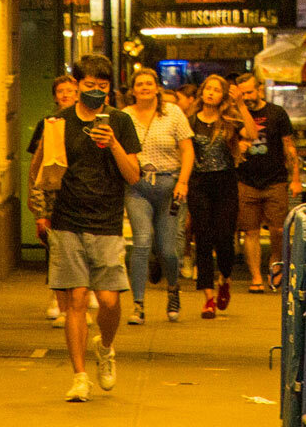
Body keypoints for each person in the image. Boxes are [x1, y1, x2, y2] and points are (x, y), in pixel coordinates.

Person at [42, 55, 141, 402]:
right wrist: (42, 212)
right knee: (77, 300)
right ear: (76, 85)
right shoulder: (57, 123)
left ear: (110, 88)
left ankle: (106, 346)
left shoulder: (121, 122)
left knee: (110, 301)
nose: (96, 91)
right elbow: (44, 173)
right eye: (89, 85)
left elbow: (133, 175)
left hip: (108, 221)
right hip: (68, 220)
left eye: (102, 86)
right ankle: (79, 377)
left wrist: (113, 144)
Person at [122, 66, 192, 324]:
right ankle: (138, 304)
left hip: (168, 186)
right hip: (137, 186)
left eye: (149, 83)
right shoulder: (125, 116)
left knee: (168, 250)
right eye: (139, 84)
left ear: (157, 87)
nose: (144, 87)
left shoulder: (173, 114)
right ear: (133, 90)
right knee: (141, 242)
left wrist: (183, 182)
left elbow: (187, 150)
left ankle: (173, 289)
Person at [233, 70, 302, 291]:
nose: (247, 96)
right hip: (246, 180)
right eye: (242, 93)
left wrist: (296, 178)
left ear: (259, 89)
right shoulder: (235, 114)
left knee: (278, 229)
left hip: (275, 179)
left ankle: (276, 261)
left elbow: (289, 146)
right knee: (250, 231)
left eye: (250, 91)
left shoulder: (276, 113)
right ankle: (256, 278)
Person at [185, 72, 247, 319]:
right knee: (203, 238)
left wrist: (240, 104)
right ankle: (208, 298)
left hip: (225, 182)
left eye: (216, 89)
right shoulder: (190, 120)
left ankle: (225, 278)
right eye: (208, 88)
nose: (211, 92)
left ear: (223, 95)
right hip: (199, 183)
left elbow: (251, 133)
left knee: (224, 237)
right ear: (202, 92)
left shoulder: (229, 120)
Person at [26, 74, 79, 323]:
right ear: (55, 96)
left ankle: (77, 296)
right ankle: (58, 298)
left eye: (70, 90)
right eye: (61, 91)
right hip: (53, 194)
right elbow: (36, 167)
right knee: (57, 249)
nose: (66, 95)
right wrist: (39, 210)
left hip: (78, 193)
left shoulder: (83, 123)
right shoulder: (47, 124)